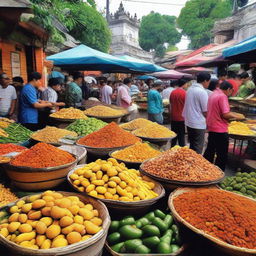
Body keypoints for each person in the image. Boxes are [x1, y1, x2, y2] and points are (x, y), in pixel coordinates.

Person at [204, 81, 237, 170]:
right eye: (231, 91)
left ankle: (205, 170)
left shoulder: (213, 94)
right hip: (220, 129)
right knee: (221, 155)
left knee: (210, 151)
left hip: (212, 127)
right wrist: (237, 116)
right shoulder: (223, 96)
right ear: (229, 89)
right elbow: (226, 114)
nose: (230, 93)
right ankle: (219, 173)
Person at [183, 72, 211, 154]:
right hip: (198, 123)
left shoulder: (189, 89)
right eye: (209, 82)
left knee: (192, 146)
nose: (208, 84)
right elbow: (205, 111)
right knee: (198, 148)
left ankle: (190, 163)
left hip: (189, 122)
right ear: (205, 81)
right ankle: (195, 165)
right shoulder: (202, 92)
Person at [170, 78, 189, 147]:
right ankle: (182, 151)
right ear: (184, 84)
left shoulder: (173, 92)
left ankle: (171, 149)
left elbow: (170, 104)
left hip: (173, 117)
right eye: (187, 84)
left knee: (173, 136)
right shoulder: (184, 93)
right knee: (181, 137)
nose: (187, 85)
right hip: (181, 118)